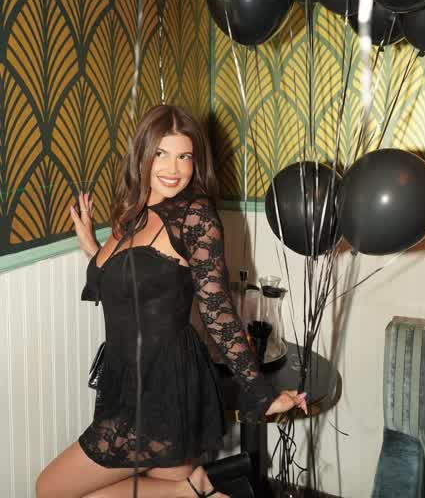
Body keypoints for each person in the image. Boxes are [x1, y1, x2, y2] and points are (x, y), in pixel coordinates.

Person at [36, 105, 307, 498]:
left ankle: (190, 488)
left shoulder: (195, 216)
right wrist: (93, 248)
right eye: (161, 153)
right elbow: (132, 281)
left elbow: (217, 311)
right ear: (142, 155)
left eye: (185, 156)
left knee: (50, 488)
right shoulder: (134, 213)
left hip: (164, 382)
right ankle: (193, 488)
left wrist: (261, 393)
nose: (173, 168)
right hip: (129, 379)